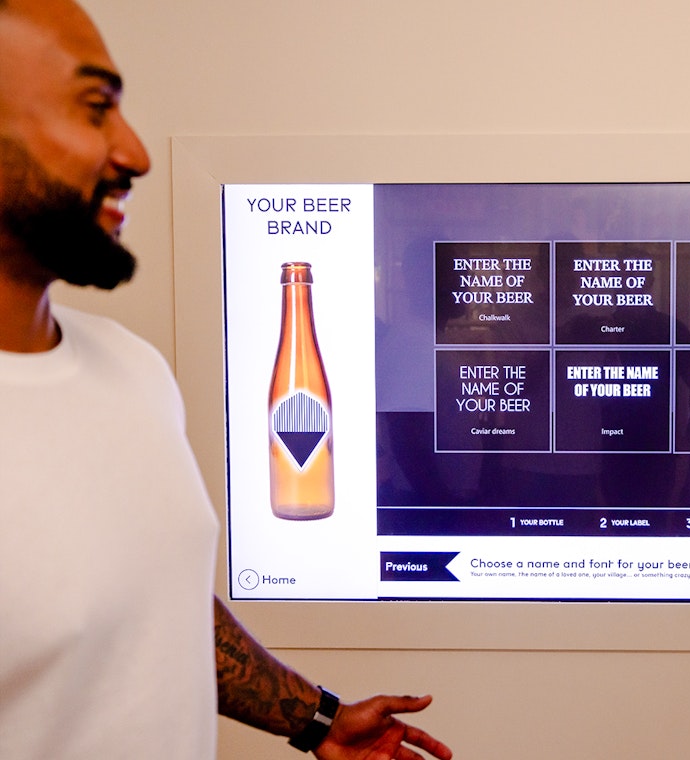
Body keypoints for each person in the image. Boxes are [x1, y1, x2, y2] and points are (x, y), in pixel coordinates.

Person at [0, 1, 453, 758]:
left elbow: (156, 594)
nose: (136, 152)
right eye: (94, 108)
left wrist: (316, 719)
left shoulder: (131, 370)